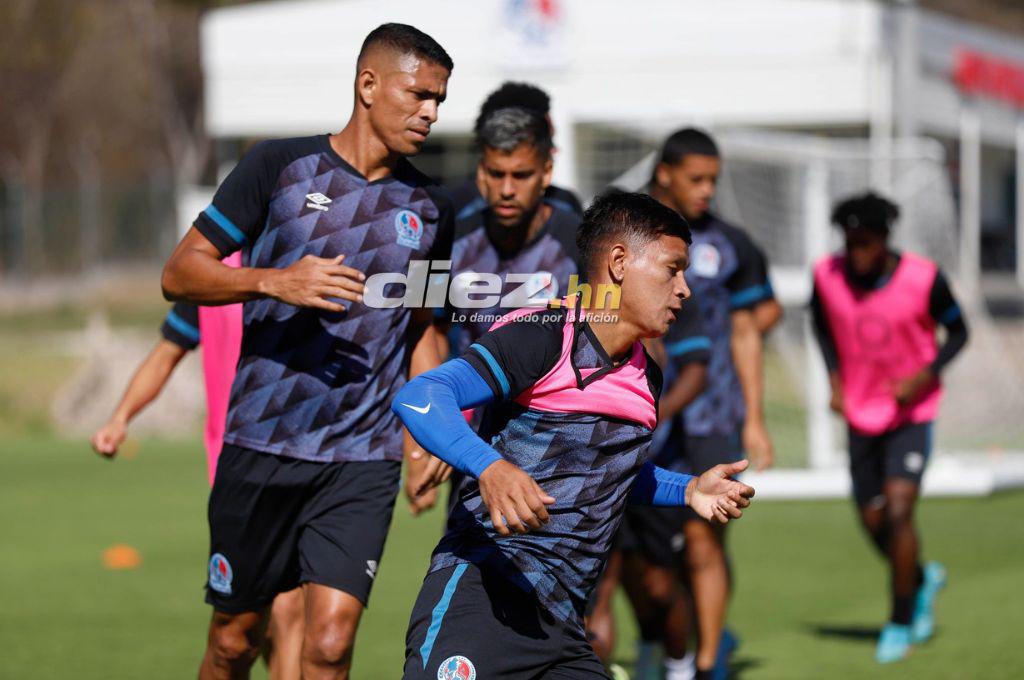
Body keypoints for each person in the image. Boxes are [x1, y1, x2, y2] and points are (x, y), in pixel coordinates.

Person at [160, 23, 454, 679]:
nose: (431, 112)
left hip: (361, 455)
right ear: (368, 84)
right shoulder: (278, 166)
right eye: (419, 94)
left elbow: (425, 326)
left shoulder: (433, 207)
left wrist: (426, 433)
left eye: (440, 99)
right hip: (262, 443)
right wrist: (273, 279)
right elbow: (179, 273)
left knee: (329, 643)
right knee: (235, 642)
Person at [394, 191, 756, 679]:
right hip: (482, 596)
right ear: (620, 263)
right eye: (673, 269)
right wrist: (489, 467)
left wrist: (686, 489)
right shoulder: (543, 334)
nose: (684, 289)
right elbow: (420, 395)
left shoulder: (646, 376)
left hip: (561, 628)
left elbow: (605, 468)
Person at [90, 275, 307, 680]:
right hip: (237, 465)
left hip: (309, 457)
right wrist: (120, 417)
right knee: (243, 631)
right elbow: (166, 352)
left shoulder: (304, 254)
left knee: (290, 608)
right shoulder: (215, 275)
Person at [810, 192, 967, 664]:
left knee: (899, 511)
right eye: (850, 242)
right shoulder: (827, 275)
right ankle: (920, 579)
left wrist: (924, 375)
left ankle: (901, 621)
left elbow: (960, 331)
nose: (856, 252)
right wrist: (835, 380)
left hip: (911, 414)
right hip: (862, 412)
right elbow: (820, 324)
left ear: (884, 239)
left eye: (865, 243)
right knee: (874, 520)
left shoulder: (924, 278)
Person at [644, 127, 777, 679]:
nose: (706, 191)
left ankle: (705, 663)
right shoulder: (629, 233)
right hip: (647, 413)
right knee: (650, 558)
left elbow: (758, 320)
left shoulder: (730, 243)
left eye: (713, 181)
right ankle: (667, 640)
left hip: (713, 413)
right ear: (665, 173)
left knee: (704, 538)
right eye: (696, 179)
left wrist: (756, 419)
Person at [449, 81, 583, 222]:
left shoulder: (566, 205)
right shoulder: (456, 211)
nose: (507, 191)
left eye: (521, 175)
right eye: (546, 141)